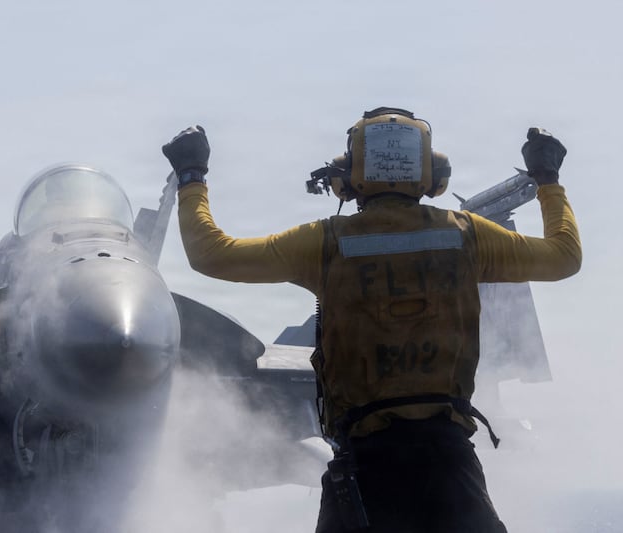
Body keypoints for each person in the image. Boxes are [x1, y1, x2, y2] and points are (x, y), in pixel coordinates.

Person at [162, 108, 581, 533]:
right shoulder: (467, 235)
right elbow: (564, 256)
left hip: (365, 468)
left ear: (345, 178)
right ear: (435, 176)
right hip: (450, 465)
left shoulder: (323, 243)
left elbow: (211, 254)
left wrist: (192, 175)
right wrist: (547, 179)